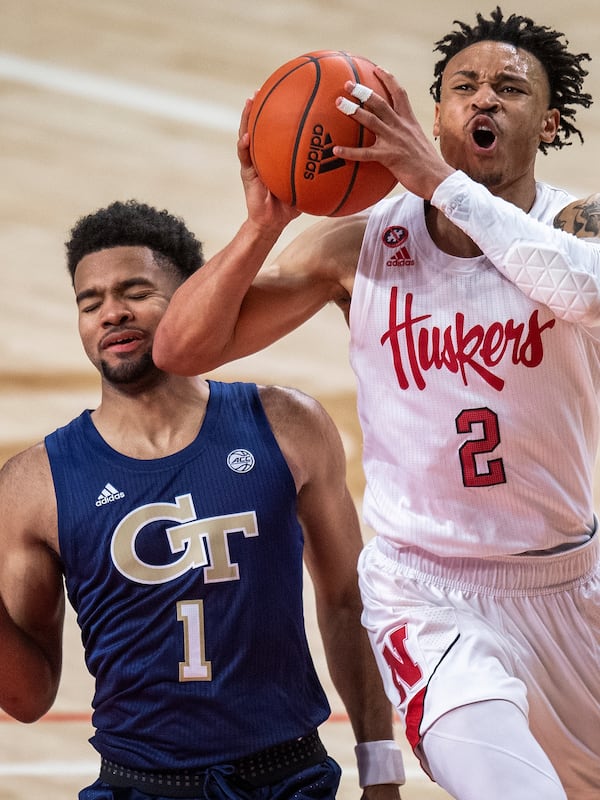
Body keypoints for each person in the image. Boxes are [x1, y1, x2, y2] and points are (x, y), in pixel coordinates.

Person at [153, 7, 600, 800]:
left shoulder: (575, 226)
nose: (482, 101)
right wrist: (264, 224)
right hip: (427, 597)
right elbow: (181, 350)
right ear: (433, 114)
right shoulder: (360, 247)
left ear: (550, 121)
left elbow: (580, 288)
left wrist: (440, 181)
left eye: (509, 88)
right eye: (463, 86)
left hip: (569, 585)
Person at [0, 199, 404, 800]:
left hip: (289, 777)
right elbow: (28, 700)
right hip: (139, 786)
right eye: (91, 303)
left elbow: (348, 603)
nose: (112, 313)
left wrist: (381, 769)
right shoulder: (34, 485)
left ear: (190, 297)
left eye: (136, 292)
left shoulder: (287, 425)